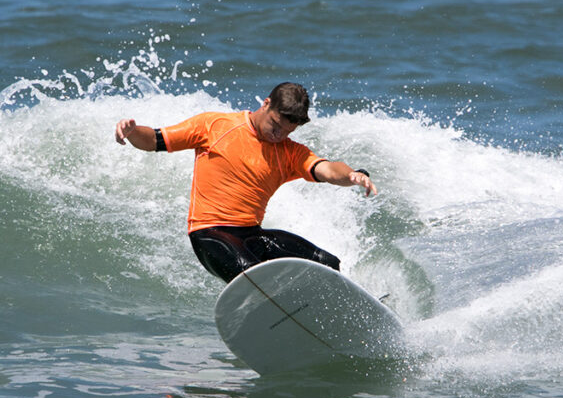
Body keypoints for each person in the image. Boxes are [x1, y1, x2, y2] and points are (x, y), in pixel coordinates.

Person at [115, 82, 377, 283]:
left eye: (288, 130)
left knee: (326, 263)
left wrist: (352, 175)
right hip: (210, 234)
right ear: (265, 104)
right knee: (254, 275)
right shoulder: (215, 126)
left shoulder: (290, 152)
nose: (279, 134)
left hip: (251, 235)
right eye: (276, 124)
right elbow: (154, 141)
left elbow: (328, 169)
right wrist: (132, 131)